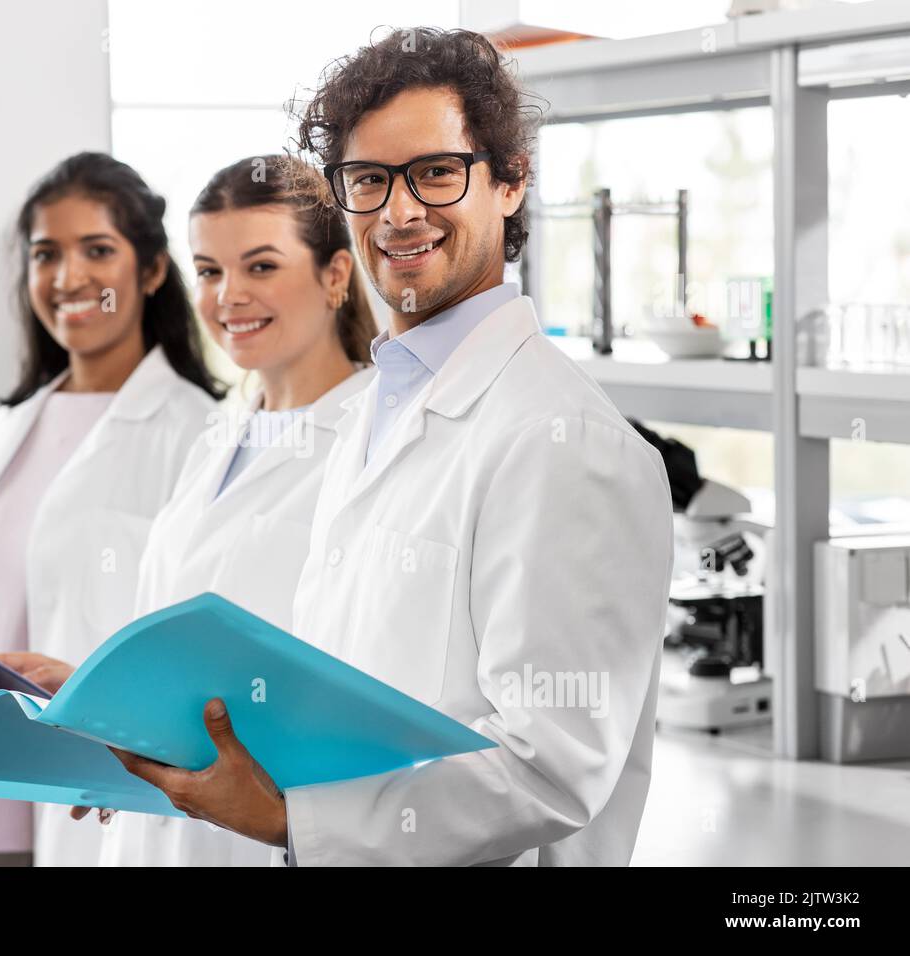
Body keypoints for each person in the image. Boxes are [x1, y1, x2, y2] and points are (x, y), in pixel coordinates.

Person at [106, 28, 675, 867]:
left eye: (437, 173)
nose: (400, 212)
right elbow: (341, 697)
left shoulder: (564, 441)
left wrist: (295, 820)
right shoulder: (381, 404)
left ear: (511, 181)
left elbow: (551, 765)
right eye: (368, 181)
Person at [0, 152, 221, 867]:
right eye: (46, 255)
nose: (68, 278)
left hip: (95, 800)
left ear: (153, 270)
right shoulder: (10, 426)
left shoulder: (196, 431)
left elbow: (193, 647)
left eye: (97, 250)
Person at [92, 154, 378, 865]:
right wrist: (94, 706)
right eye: (211, 271)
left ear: (335, 275)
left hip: (269, 831)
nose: (228, 297)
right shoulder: (221, 430)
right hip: (159, 823)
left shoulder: (378, 442)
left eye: (260, 267)